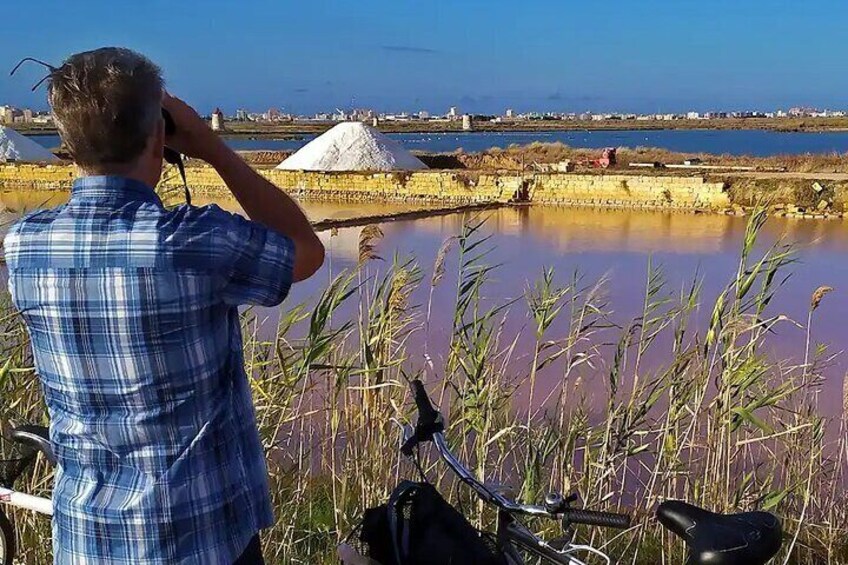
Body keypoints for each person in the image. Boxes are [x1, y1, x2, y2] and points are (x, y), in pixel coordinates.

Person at [3, 47, 324, 564]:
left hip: (88, 539)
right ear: (158, 135)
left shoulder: (24, 245)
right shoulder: (194, 241)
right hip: (200, 538)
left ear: (66, 141)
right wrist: (211, 147)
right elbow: (305, 250)